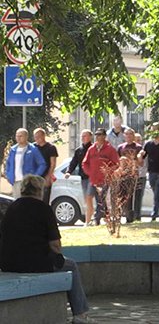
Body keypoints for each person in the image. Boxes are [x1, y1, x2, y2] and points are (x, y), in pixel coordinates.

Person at [0, 175, 92, 323]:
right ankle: (80, 314)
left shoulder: (11, 208)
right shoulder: (44, 209)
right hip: (37, 263)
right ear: (39, 191)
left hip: (8, 263)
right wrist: (56, 257)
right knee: (71, 265)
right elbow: (55, 245)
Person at [82, 128, 120, 225]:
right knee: (89, 197)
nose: (98, 137)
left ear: (104, 136)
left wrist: (107, 171)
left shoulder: (110, 149)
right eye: (96, 135)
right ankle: (98, 218)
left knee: (101, 198)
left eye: (100, 135)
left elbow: (116, 164)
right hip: (93, 179)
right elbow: (85, 163)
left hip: (104, 179)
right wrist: (90, 172)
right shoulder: (91, 149)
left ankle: (97, 219)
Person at [4, 128, 46, 199]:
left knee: (29, 202)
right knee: (17, 203)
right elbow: (8, 164)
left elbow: (42, 164)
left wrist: (35, 177)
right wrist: (8, 175)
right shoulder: (13, 149)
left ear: (26, 137)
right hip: (15, 182)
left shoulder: (33, 149)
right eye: (17, 136)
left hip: (28, 183)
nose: (18, 138)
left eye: (21, 136)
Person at [65, 130, 95, 225]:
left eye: (85, 136)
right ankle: (90, 218)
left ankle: (88, 221)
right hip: (83, 178)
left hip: (93, 177)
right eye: (82, 136)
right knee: (87, 199)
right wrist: (68, 172)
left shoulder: (94, 148)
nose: (83, 138)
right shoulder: (79, 150)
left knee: (89, 197)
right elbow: (73, 162)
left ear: (90, 137)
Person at [117, 128, 142, 222]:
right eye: (127, 134)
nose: (128, 136)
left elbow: (141, 163)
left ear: (133, 135)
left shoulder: (138, 147)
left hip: (133, 175)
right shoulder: (120, 147)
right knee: (121, 196)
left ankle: (131, 218)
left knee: (131, 197)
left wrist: (134, 161)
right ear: (124, 135)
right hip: (122, 175)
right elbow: (117, 161)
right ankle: (120, 217)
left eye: (130, 134)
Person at [33, 128, 58, 205]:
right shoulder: (33, 147)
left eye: (38, 136)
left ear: (43, 136)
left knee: (44, 200)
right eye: (35, 137)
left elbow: (53, 164)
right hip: (34, 176)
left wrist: (49, 176)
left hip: (45, 177)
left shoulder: (51, 147)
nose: (36, 138)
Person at [132, 133, 149, 220]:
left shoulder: (144, 151)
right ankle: (131, 215)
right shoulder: (132, 150)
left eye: (139, 140)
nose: (138, 142)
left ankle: (137, 216)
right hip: (132, 176)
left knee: (139, 197)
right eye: (136, 140)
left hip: (141, 176)